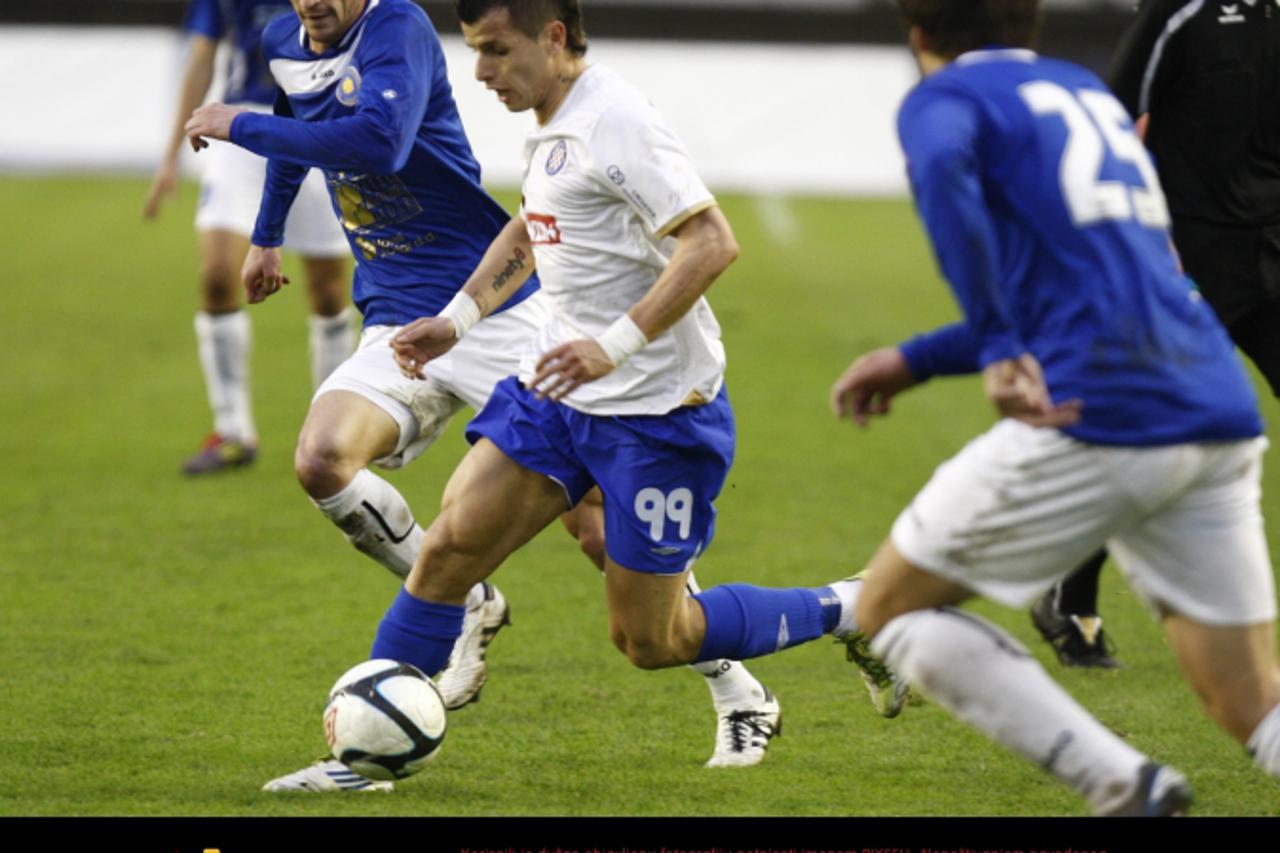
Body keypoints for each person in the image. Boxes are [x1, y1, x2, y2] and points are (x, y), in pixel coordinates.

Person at [182, 0, 779, 789]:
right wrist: (266, 233)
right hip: (405, 315)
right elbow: (300, 124)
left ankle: (737, 685)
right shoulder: (282, 40)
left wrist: (241, 124)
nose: (312, 2)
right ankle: (446, 628)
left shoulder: (397, 29)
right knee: (323, 458)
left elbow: (376, 142)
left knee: (600, 534)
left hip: (505, 317)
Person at [829, 0, 1280, 815]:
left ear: (918, 32)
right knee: (1254, 703)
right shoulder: (1085, 94)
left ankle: (1125, 787)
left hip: (1105, 412)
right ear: (1030, 23)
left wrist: (998, 349)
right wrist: (920, 359)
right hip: (1215, 405)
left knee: (886, 609)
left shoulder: (945, 101)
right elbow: (1095, 290)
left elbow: (943, 181)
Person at [1032, 0, 1280, 669]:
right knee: (1151, 431)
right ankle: (1070, 592)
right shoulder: (1180, 12)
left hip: (1271, 247)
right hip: (1188, 257)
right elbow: (1113, 120)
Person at [144, 0, 355, 475]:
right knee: (218, 276)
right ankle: (233, 431)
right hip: (239, 128)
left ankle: (333, 430)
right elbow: (201, 55)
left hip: (314, 122)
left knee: (328, 293)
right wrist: (170, 155)